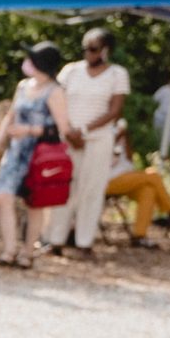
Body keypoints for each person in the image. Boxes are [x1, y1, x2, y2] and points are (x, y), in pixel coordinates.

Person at [0, 42, 65, 269]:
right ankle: (9, 249)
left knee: (35, 203)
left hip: (38, 154)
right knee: (3, 197)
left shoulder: (55, 92)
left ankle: (27, 252)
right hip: (15, 151)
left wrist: (29, 130)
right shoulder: (23, 86)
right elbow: (11, 116)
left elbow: (62, 128)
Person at [52, 27, 130, 255]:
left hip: (98, 138)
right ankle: (55, 238)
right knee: (64, 187)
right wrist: (69, 131)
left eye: (94, 49)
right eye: (86, 48)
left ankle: (83, 240)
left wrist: (85, 130)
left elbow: (114, 110)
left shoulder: (117, 74)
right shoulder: (71, 71)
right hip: (69, 136)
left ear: (105, 50)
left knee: (92, 189)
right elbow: (58, 101)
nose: (88, 53)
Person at [103, 125, 170, 247]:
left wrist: (126, 138)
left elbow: (129, 159)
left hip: (127, 178)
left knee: (148, 190)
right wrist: (117, 136)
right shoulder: (101, 130)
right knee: (153, 176)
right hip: (108, 180)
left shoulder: (120, 130)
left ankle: (139, 235)